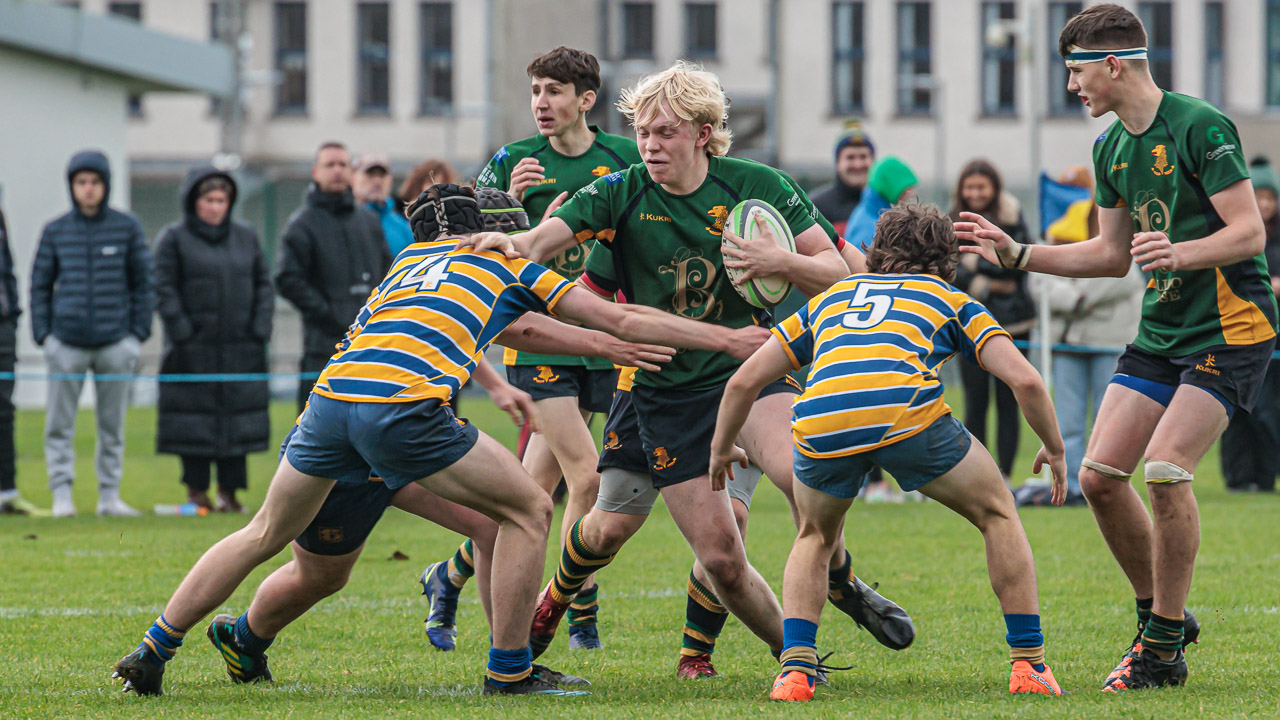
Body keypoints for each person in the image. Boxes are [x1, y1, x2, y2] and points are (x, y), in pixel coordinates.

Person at [111, 182, 771, 698]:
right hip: (402, 409)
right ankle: (511, 669)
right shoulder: (511, 264)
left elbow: (521, 332)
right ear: (494, 232)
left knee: (262, 534)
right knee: (530, 509)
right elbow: (616, 311)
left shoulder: (410, 261)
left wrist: (602, 344)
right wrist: (728, 339)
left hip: (331, 403)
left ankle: (153, 649)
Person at [460, 61, 914, 677]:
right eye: (643, 132)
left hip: (753, 370)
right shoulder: (619, 192)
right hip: (662, 390)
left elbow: (838, 273)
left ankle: (807, 643)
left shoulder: (759, 186)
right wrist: (509, 244)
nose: (649, 145)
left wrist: (775, 259)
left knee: (798, 479)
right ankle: (560, 599)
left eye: (665, 132)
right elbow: (542, 244)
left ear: (703, 133)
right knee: (687, 547)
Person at [202, 186, 673, 691]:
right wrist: (710, 341)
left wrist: (541, 247)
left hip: (369, 424)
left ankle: (498, 642)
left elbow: (507, 325)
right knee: (319, 570)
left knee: (502, 518)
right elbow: (526, 325)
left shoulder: (415, 264)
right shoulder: (469, 266)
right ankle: (514, 654)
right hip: (386, 427)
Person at [956, 3, 1270, 690]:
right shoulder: (1109, 149)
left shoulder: (1200, 126)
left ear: (1113, 64)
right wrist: (1017, 254)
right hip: (1162, 331)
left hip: (1231, 327)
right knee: (1099, 478)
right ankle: (1163, 616)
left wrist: (1181, 253)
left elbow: (1249, 234)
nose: (1073, 88)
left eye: (1076, 73)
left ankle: (1159, 649)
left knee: (1166, 471)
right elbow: (1108, 256)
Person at [710, 204, 1068, 701]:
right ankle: (1029, 665)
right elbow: (1024, 378)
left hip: (822, 419)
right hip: (905, 414)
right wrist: (1053, 447)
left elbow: (745, 379)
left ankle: (794, 674)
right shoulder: (946, 297)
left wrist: (722, 446)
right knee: (997, 512)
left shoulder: (832, 298)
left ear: (876, 253)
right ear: (948, 259)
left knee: (814, 536)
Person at [422, 46, 641, 653]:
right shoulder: (511, 161)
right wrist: (511, 206)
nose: (542, 104)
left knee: (533, 492)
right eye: (536, 92)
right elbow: (469, 243)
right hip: (536, 337)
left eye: (553, 91)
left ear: (585, 100)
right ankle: (573, 612)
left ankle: (451, 574)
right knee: (587, 478)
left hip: (599, 335)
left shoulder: (624, 159)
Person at [30, 150, 153, 518]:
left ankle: (109, 497)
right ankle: (62, 496)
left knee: (112, 425)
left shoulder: (127, 227)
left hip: (116, 344)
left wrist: (136, 336)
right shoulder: (54, 231)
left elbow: (144, 284)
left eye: (94, 182)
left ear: (105, 185)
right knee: (59, 425)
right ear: (72, 186)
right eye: (81, 182)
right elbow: (39, 286)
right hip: (65, 344)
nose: (88, 189)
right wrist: (45, 337)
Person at [153, 166, 274, 513]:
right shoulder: (173, 239)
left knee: (238, 428)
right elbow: (163, 288)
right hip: (192, 351)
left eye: (222, 200)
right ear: (193, 202)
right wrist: (182, 333)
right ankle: (197, 491)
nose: (216, 207)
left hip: (242, 350)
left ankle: (230, 493)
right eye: (209, 200)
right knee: (194, 426)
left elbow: (264, 285)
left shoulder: (246, 237)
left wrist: (259, 330)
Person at [1029, 165, 1144, 505]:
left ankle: (1107, 483)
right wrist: (1075, 298)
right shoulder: (1053, 232)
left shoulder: (1120, 227)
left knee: (1108, 420)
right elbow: (1040, 279)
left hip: (1110, 341)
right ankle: (1071, 487)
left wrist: (1078, 294)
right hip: (1068, 342)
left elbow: (1125, 277)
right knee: (1066, 422)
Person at [275, 142, 392, 415]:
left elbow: (388, 275)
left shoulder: (368, 222)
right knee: (315, 439)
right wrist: (329, 314)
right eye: (330, 165)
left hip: (371, 346)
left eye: (343, 164)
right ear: (316, 172)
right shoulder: (302, 224)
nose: (337, 171)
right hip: (322, 350)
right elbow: (287, 279)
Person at [950, 160, 1036, 482]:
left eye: (981, 186)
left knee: (1009, 401)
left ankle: (1006, 475)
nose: (975, 193)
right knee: (974, 401)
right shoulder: (951, 221)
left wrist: (972, 266)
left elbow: (1015, 265)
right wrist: (986, 281)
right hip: (968, 327)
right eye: (969, 187)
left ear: (994, 188)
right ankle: (978, 475)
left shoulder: (1012, 220)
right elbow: (947, 268)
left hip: (1013, 325)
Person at [1219, 155, 1280, 493]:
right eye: (1259, 197)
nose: (1265, 205)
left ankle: (1267, 475)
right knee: (1234, 411)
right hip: (1239, 331)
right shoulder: (1234, 236)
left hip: (1272, 336)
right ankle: (1238, 477)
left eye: (1271, 198)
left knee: (1267, 411)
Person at [0, 205, 43, 515]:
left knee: (3, 411)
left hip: (2, 327)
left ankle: (6, 492)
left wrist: (11, 316)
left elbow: (7, 273)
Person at [808, 121, 875, 237]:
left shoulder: (883, 206)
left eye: (863, 157)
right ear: (838, 162)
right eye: (850, 157)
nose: (858, 164)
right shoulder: (817, 207)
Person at [844, 156, 917, 252]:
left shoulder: (873, 214)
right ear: (892, 188)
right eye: (907, 189)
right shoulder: (869, 229)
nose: (912, 194)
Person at [353, 151, 415, 259]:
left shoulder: (404, 227)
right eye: (370, 174)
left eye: (382, 175)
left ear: (390, 181)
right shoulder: (343, 221)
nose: (377, 181)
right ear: (353, 179)